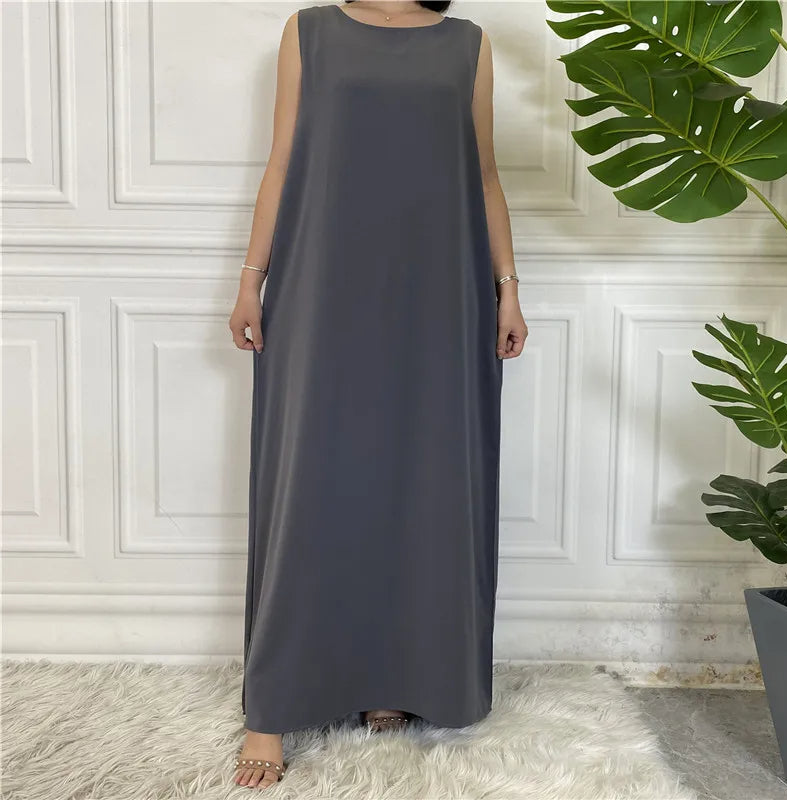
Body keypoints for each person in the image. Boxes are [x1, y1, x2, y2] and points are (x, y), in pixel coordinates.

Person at [228, 0, 527, 789]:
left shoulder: (468, 45)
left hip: (438, 292)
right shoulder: (311, 32)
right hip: (322, 286)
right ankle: (271, 710)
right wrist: (251, 280)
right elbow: (282, 162)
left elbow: (484, 175)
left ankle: (392, 672)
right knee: (313, 483)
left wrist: (508, 289)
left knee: (419, 479)